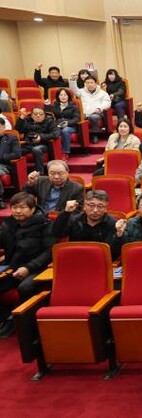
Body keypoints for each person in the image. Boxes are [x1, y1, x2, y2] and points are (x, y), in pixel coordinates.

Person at [0, 192, 55, 337]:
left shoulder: (45, 225)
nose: (18, 211)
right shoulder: (8, 224)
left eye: (22, 207)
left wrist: (28, 268)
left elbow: (49, 252)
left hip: (38, 268)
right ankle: (7, 318)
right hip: (13, 266)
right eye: (14, 207)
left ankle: (27, 325)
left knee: (25, 287)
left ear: (32, 209)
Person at [52, 190, 126, 261]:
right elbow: (57, 233)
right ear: (85, 206)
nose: (95, 210)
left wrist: (119, 235)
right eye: (91, 206)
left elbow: (113, 254)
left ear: (105, 208)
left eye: (100, 206)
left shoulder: (112, 224)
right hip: (75, 259)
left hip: (100, 261)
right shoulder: (75, 220)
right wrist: (66, 212)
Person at [69, 74, 111, 143]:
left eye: (91, 83)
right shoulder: (82, 92)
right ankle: (80, 136)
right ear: (85, 84)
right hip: (84, 113)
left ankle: (95, 135)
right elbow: (74, 90)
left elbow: (107, 103)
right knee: (76, 116)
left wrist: (99, 108)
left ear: (95, 83)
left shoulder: (102, 93)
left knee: (94, 117)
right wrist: (72, 80)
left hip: (97, 112)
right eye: (87, 83)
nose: (89, 84)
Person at [17, 106, 59, 175]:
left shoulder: (49, 121)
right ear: (31, 115)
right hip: (28, 144)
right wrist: (21, 118)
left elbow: (56, 133)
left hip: (43, 144)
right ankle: (20, 175)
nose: (38, 116)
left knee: (36, 149)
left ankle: (40, 174)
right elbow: (19, 129)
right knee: (15, 151)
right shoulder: (27, 120)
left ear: (44, 115)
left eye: (41, 114)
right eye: (35, 114)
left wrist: (41, 137)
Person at [48, 88, 81, 158]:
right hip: (58, 125)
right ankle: (54, 153)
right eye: (61, 95)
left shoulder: (74, 106)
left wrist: (67, 123)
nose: (63, 97)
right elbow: (50, 116)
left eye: (65, 95)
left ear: (68, 96)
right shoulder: (55, 106)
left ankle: (65, 152)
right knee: (54, 131)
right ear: (58, 96)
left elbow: (76, 119)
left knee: (65, 130)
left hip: (71, 126)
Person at [0, 123, 21, 208]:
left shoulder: (11, 138)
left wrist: (2, 157)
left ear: (3, 127)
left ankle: (0, 199)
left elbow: (17, 154)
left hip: (5, 165)